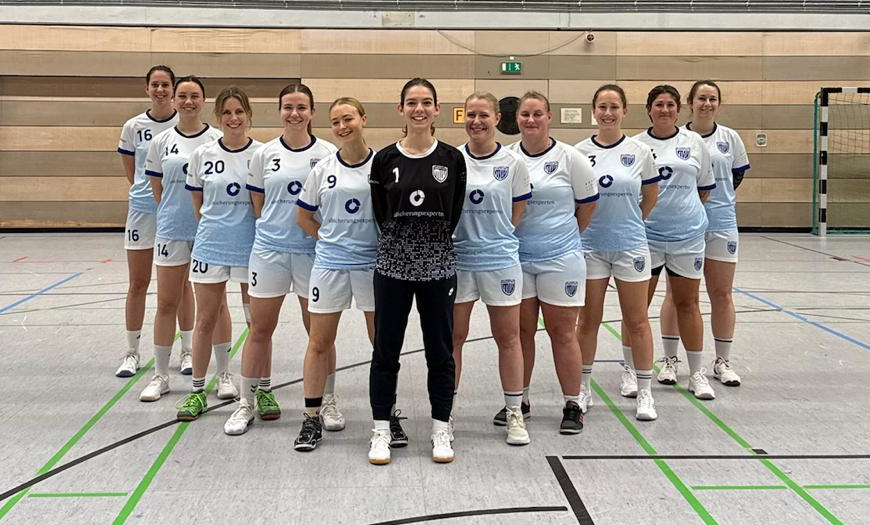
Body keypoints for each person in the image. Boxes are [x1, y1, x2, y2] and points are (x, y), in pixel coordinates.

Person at [223, 85, 340, 435]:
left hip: (312, 254)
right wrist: (275, 230)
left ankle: (328, 402)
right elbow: (259, 204)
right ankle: (246, 402)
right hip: (269, 252)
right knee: (260, 329)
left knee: (319, 336)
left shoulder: (328, 153)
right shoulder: (264, 154)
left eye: (301, 107)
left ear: (312, 111)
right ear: (279, 111)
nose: (294, 114)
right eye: (288, 107)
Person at [368, 78, 466, 465]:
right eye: (412, 102)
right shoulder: (385, 160)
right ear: (401, 109)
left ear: (437, 110)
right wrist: (402, 243)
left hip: (438, 267)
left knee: (440, 353)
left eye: (426, 102)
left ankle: (441, 428)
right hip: (392, 266)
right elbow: (381, 212)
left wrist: (430, 244)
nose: (419, 109)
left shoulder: (452, 159)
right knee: (385, 352)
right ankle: (380, 430)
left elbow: (453, 212)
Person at [288, 97, 377, 449]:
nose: (343, 126)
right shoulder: (323, 168)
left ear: (363, 119)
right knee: (319, 343)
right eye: (336, 121)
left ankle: (387, 417)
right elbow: (304, 216)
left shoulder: (383, 165)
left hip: (372, 265)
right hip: (329, 265)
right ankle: (311, 418)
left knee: (382, 344)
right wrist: (327, 238)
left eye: (349, 118)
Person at [508, 91, 598, 435]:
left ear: (549, 117)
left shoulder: (570, 158)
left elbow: (588, 204)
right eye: (524, 115)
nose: (531, 120)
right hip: (517, 259)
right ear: (516, 120)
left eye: (537, 114)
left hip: (561, 259)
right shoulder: (508, 158)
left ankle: (573, 403)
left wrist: (567, 235)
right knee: (521, 333)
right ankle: (520, 400)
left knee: (562, 333)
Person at [574, 84, 660, 420]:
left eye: (614, 107)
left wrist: (633, 221)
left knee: (637, 321)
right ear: (593, 111)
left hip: (630, 245)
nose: (607, 113)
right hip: (591, 246)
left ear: (624, 111)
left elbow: (650, 196)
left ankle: (645, 392)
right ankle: (581, 390)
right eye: (602, 107)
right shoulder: (578, 152)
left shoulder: (640, 152)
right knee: (588, 322)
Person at [176, 86, 262, 421]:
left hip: (250, 248)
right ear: (218, 118)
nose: (234, 118)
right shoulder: (202, 155)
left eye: (239, 112)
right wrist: (215, 229)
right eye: (226, 113)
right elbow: (198, 204)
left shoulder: (262, 154)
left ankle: (260, 389)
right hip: (211, 245)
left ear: (249, 116)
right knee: (205, 320)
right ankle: (198, 390)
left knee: (257, 324)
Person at [658, 80, 750, 387]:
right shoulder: (679, 138)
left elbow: (735, 176)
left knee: (721, 294)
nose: (706, 104)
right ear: (690, 102)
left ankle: (722, 361)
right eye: (701, 98)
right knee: (677, 295)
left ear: (718, 103)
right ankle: (670, 360)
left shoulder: (730, 138)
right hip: (683, 227)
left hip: (721, 223)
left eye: (712, 99)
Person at [452, 92, 531, 445]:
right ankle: (446, 414)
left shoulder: (513, 163)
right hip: (458, 260)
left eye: (484, 115)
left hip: (500, 260)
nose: (477, 121)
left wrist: (497, 238)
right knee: (453, 338)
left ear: (497, 118)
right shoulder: (452, 159)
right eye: (471, 115)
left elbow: (518, 211)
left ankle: (514, 412)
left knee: (508, 338)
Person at [630, 84, 717, 400]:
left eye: (670, 104)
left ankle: (696, 373)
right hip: (647, 237)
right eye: (658, 105)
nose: (664, 110)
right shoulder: (636, 145)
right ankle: (632, 371)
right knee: (638, 310)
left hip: (687, 236)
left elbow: (704, 188)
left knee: (688, 303)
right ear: (649, 109)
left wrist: (683, 213)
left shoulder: (693, 142)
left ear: (679, 109)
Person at [140, 75, 222, 401]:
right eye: (183, 95)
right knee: (166, 302)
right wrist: (174, 212)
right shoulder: (161, 141)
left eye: (195, 96)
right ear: (174, 99)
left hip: (209, 233)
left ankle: (221, 372)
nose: (188, 101)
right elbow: (157, 187)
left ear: (204, 100)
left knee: (212, 308)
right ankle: (160, 375)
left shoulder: (216, 139)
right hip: (172, 228)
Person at [116, 65, 193, 377]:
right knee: (138, 282)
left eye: (166, 85)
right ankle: (132, 352)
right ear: (147, 88)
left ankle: (187, 350)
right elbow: (132, 170)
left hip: (177, 212)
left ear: (173, 90)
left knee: (182, 284)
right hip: (143, 211)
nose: (161, 90)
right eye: (155, 85)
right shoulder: (133, 126)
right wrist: (144, 195)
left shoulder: (184, 122)